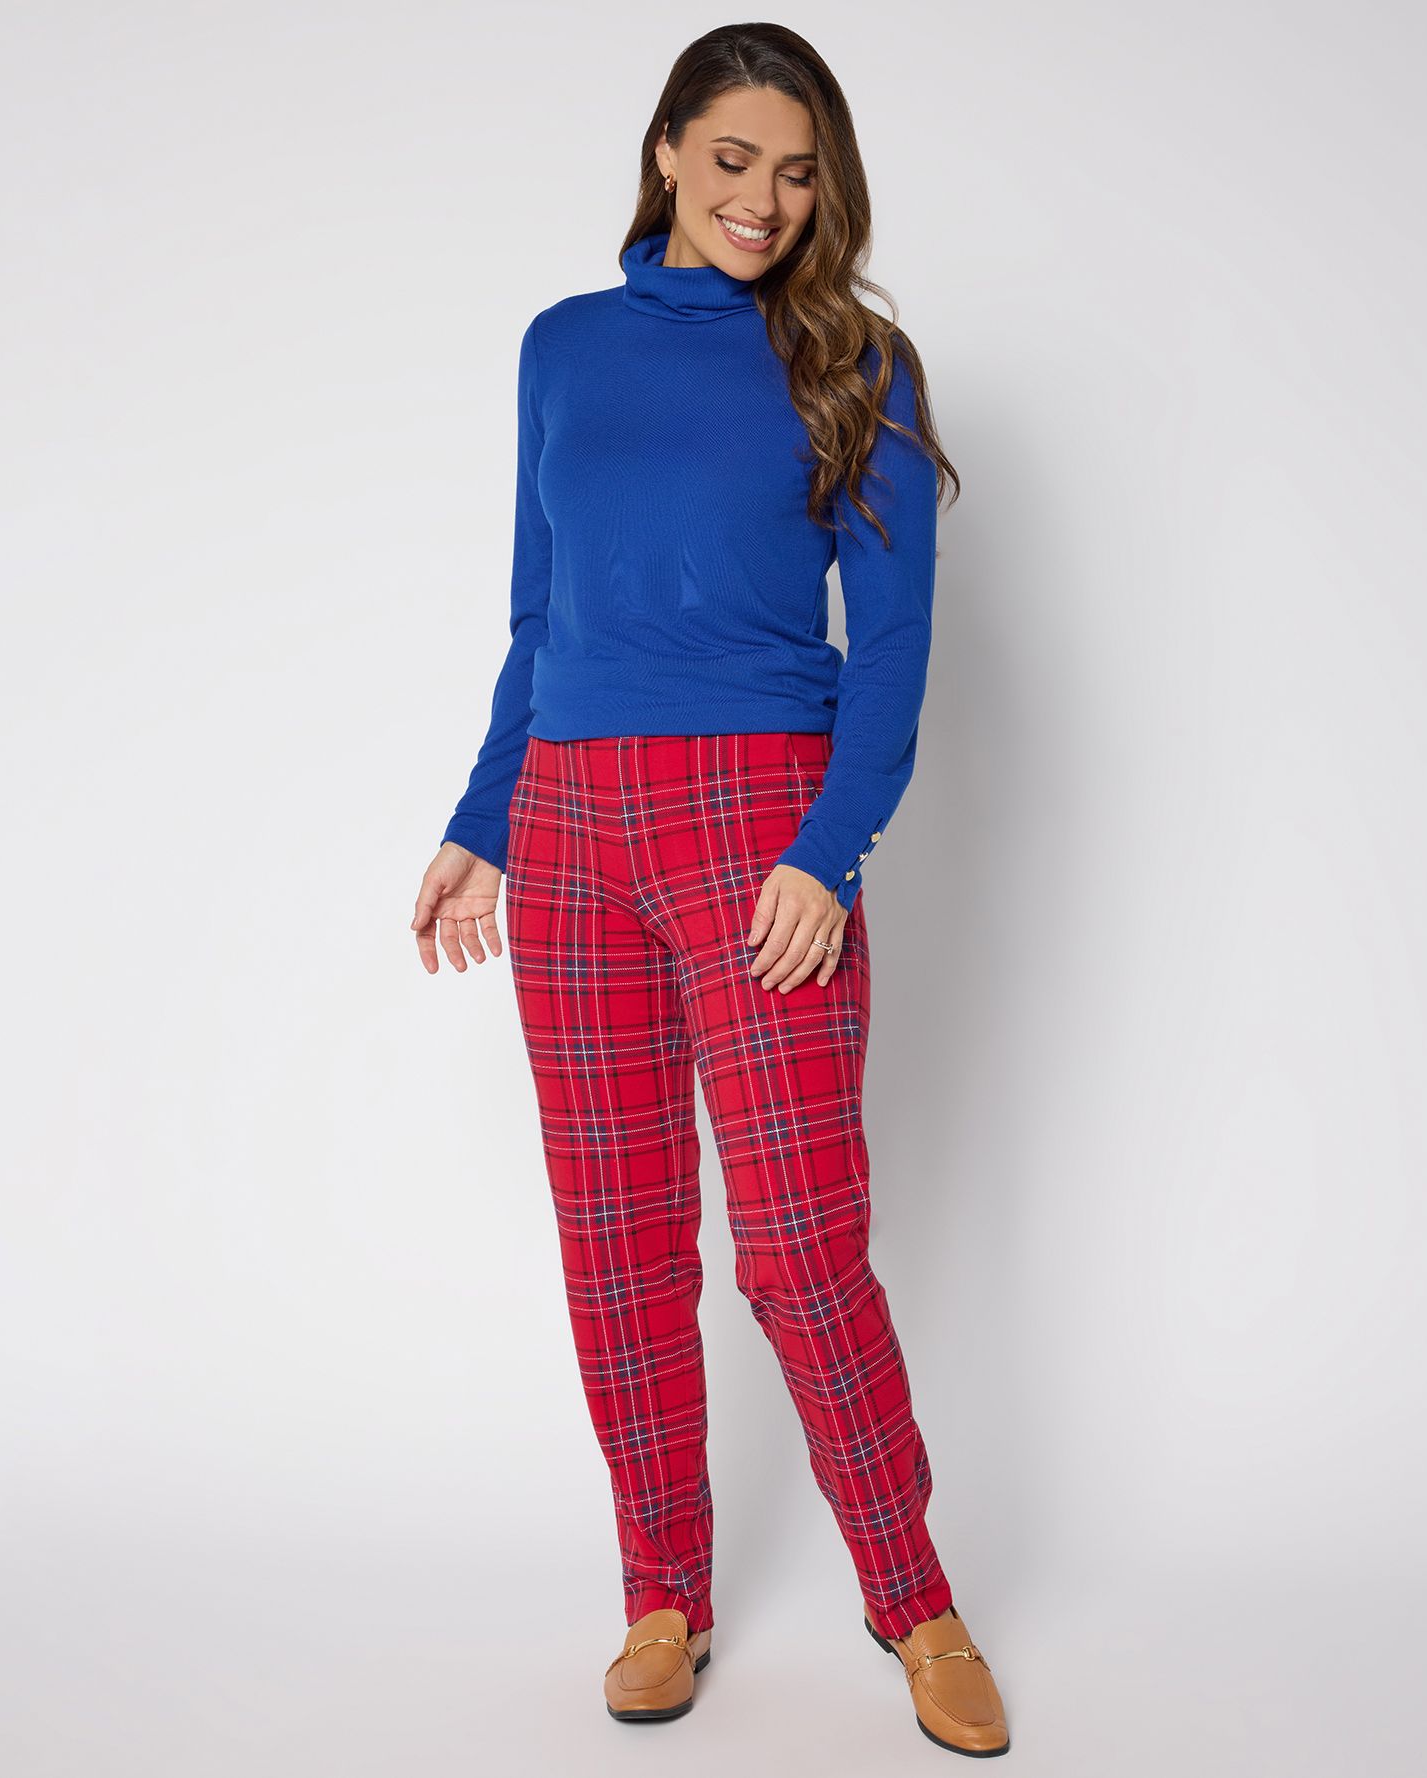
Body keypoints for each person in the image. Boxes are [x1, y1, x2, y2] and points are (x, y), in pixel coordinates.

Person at [408, 23, 1008, 1759]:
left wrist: (829, 846)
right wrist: (485, 816)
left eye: (798, 173)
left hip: (758, 824)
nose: (764, 200)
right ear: (668, 148)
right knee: (618, 1241)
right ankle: (659, 1593)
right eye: (734, 159)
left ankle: (915, 1598)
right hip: (571, 821)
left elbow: (892, 646)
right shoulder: (562, 348)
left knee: (802, 1247)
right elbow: (542, 613)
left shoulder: (855, 361)